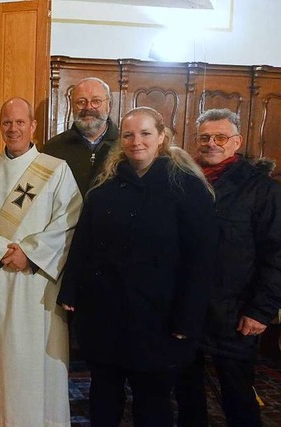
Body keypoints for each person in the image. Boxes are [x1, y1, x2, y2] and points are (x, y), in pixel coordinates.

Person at [57, 107, 218, 426]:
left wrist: (187, 319)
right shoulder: (104, 190)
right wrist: (71, 290)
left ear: (161, 137)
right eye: (129, 134)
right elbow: (83, 244)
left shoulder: (187, 189)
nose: (136, 141)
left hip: (159, 318)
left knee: (152, 402)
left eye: (145, 133)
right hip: (107, 314)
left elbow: (200, 261)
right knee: (103, 395)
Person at [0, 97, 82, 427]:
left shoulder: (55, 170)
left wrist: (29, 254)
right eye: (6, 122)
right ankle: (2, 419)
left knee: (36, 360)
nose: (12, 128)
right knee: (3, 358)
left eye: (19, 122)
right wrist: (4, 251)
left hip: (38, 284)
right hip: (0, 280)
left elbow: (69, 220)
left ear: (32, 126)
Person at [175, 108, 281, 427]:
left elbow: (276, 253)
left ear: (236, 141)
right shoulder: (182, 181)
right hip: (188, 310)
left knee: (237, 394)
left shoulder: (261, 189)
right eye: (204, 137)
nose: (211, 143)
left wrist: (261, 310)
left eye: (220, 137)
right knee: (186, 390)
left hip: (235, 313)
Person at [44, 77, 119, 195]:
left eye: (96, 101)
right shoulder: (52, 149)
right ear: (72, 107)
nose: (88, 107)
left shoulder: (124, 147)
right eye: (81, 102)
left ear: (108, 106)